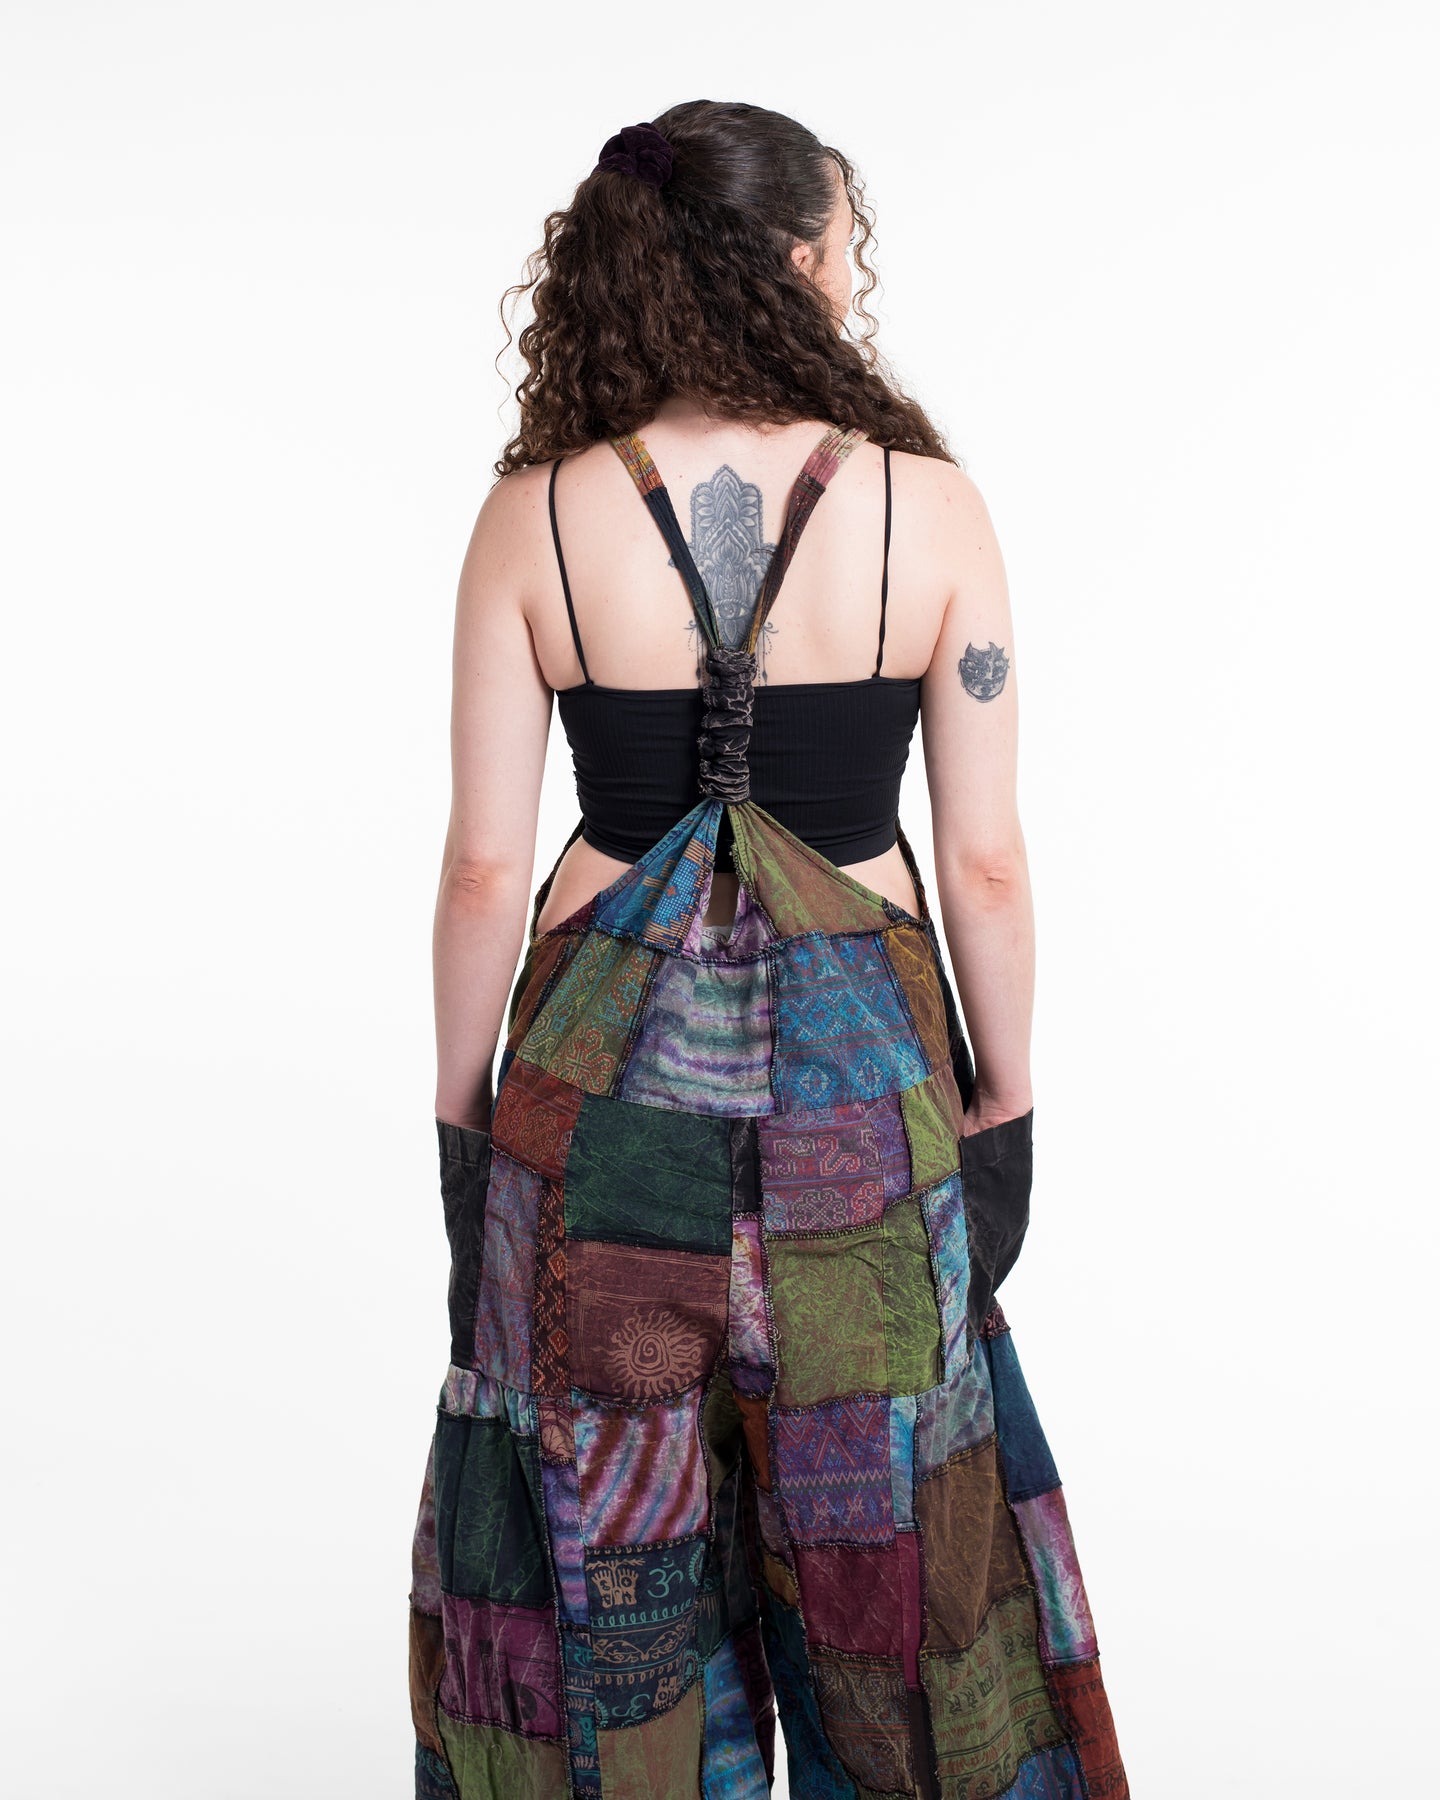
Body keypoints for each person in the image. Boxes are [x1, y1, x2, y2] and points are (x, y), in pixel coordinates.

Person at [408, 100, 1128, 1800]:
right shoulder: (927, 510)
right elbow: (987, 861)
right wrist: (1006, 1092)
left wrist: (462, 1112)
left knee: (610, 1526)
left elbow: (486, 865)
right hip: (858, 1092)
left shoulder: (538, 515)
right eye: (847, 249)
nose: (853, 279)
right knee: (892, 1526)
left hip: (600, 1094)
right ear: (799, 260)